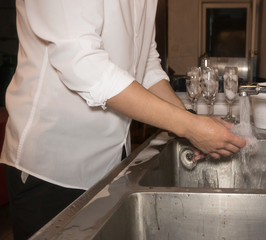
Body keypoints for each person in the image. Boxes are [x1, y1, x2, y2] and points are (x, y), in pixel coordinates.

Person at [0, 1, 246, 239]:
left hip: (111, 164)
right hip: (53, 166)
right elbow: (82, 63)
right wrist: (189, 127)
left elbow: (147, 66)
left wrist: (189, 122)